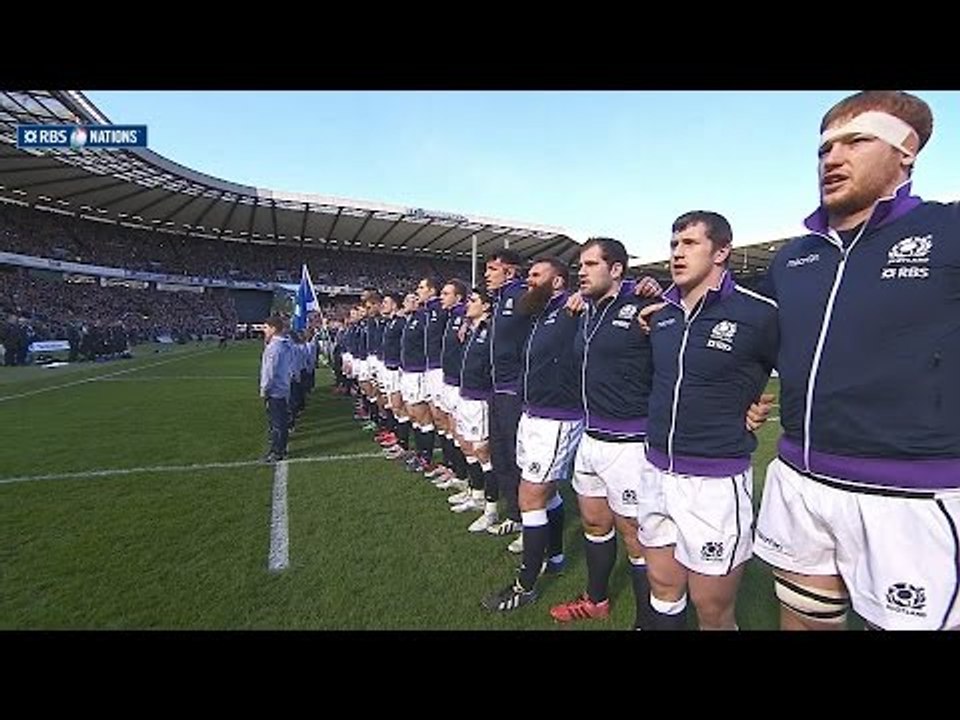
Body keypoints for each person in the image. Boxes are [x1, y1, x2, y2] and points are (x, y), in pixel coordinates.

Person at [753, 90, 960, 630]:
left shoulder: (949, 230)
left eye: (856, 141)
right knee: (802, 618)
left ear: (906, 154)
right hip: (799, 476)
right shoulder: (795, 256)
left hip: (910, 491)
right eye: (824, 149)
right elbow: (764, 339)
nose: (832, 159)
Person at [638, 211, 778, 630]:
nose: (678, 253)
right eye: (674, 245)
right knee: (662, 587)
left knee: (711, 607)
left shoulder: (759, 313)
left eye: (690, 244)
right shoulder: (659, 316)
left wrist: (759, 407)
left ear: (722, 251)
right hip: (655, 470)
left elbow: (803, 372)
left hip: (714, 482)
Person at [547, 239, 660, 628]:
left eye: (591, 264)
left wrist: (659, 292)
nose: (581, 271)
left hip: (630, 445)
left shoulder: (642, 304)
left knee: (637, 537)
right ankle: (596, 600)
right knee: (595, 523)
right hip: (590, 438)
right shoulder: (587, 311)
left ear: (616, 270)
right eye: (580, 264)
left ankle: (647, 620)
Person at [482, 257, 582, 612]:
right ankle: (555, 557)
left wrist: (638, 285)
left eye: (536, 275)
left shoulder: (575, 308)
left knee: (531, 497)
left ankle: (526, 585)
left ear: (558, 282)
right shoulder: (540, 313)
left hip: (556, 418)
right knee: (546, 494)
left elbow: (617, 298)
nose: (528, 280)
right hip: (533, 413)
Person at [484, 249, 532, 539]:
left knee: (519, 458)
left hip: (515, 390)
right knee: (500, 456)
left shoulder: (524, 295)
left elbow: (559, 301)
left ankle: (532, 520)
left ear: (510, 272)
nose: (487, 274)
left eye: (492, 268)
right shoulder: (499, 301)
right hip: (496, 389)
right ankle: (515, 514)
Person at [259, 315, 293, 463]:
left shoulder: (274, 347)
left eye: (266, 328)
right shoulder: (286, 344)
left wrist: (264, 388)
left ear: (273, 329)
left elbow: (269, 371)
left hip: (275, 389)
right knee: (281, 420)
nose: (264, 331)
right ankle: (281, 448)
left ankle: (277, 451)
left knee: (277, 422)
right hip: (284, 386)